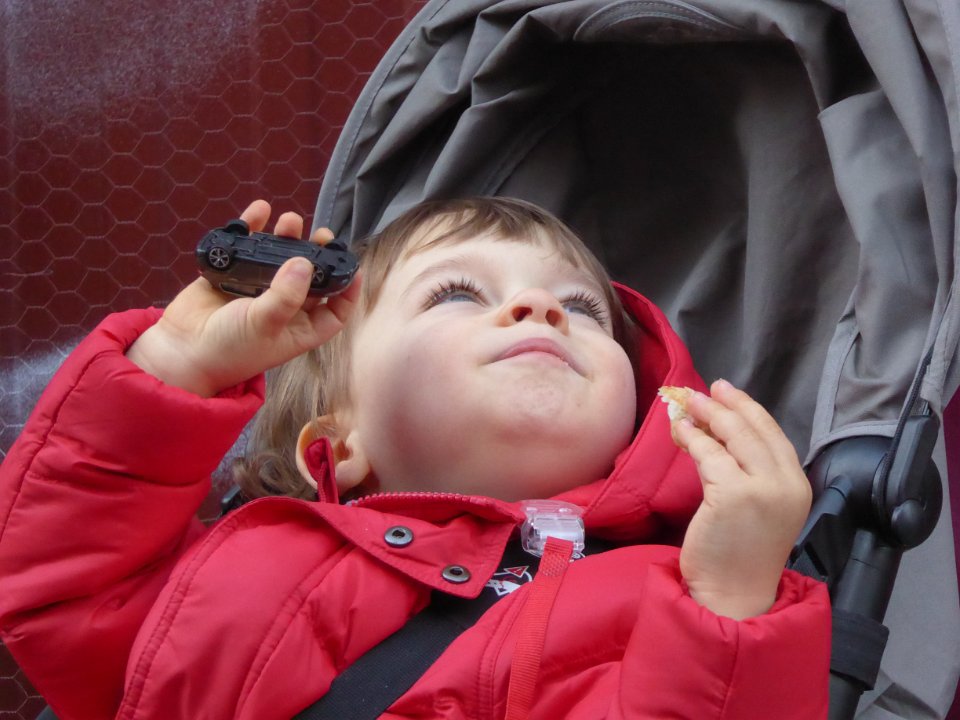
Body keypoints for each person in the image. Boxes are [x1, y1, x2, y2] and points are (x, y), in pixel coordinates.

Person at [0, 197, 829, 719]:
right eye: (457, 294)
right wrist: (175, 367)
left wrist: (730, 605)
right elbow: (65, 585)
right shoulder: (244, 562)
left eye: (584, 308)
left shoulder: (661, 604)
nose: (538, 306)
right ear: (339, 443)